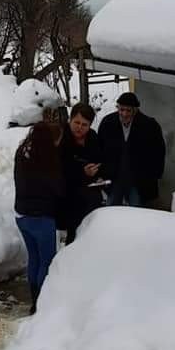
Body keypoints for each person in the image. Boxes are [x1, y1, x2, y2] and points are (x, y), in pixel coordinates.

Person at [14, 121, 64, 314]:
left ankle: (34, 299)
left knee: (33, 258)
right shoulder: (46, 159)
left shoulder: (23, 152)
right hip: (41, 217)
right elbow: (58, 188)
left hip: (22, 215)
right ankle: (41, 303)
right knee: (46, 260)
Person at [98, 92, 165, 208]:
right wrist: (100, 173)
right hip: (114, 177)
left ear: (135, 110)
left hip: (138, 179)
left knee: (137, 209)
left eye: (128, 110)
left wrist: (154, 175)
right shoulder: (108, 123)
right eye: (121, 110)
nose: (124, 114)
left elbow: (158, 152)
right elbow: (99, 149)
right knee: (111, 208)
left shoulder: (149, 126)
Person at [60, 101, 104, 243]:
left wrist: (98, 173)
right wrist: (82, 172)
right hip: (68, 196)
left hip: (91, 193)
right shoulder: (61, 137)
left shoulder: (92, 137)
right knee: (73, 233)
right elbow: (60, 168)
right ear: (70, 119)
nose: (79, 128)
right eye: (76, 123)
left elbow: (100, 159)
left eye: (84, 125)